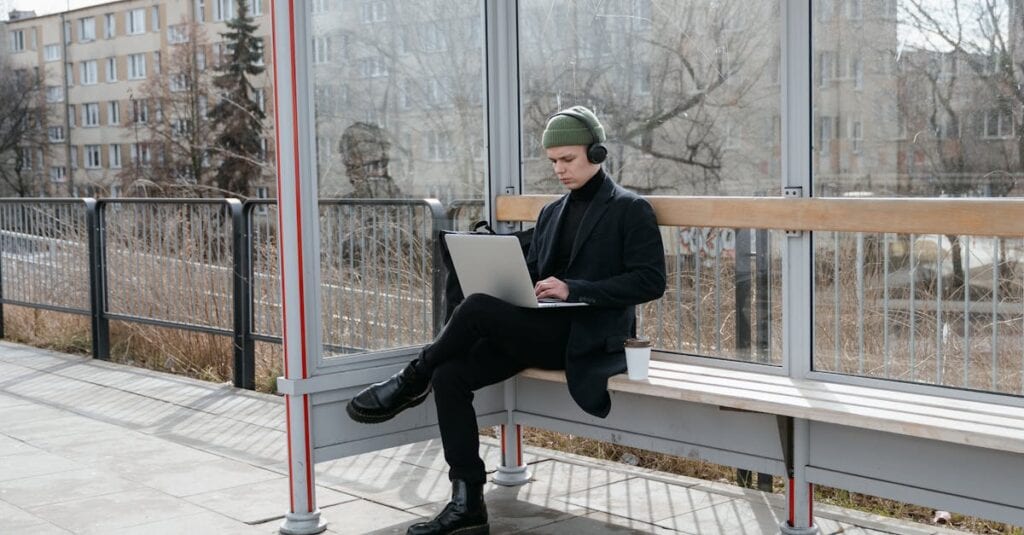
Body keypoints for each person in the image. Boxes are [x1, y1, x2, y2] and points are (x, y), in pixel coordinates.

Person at [346, 106, 667, 535]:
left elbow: (650, 281)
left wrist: (576, 289)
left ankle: (409, 380)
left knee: (475, 310)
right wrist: (509, 274)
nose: (559, 169)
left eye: (567, 159)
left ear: (597, 151)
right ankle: (467, 502)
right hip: (542, 329)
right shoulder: (553, 212)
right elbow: (534, 269)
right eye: (553, 161)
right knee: (450, 375)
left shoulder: (631, 209)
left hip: (586, 338)